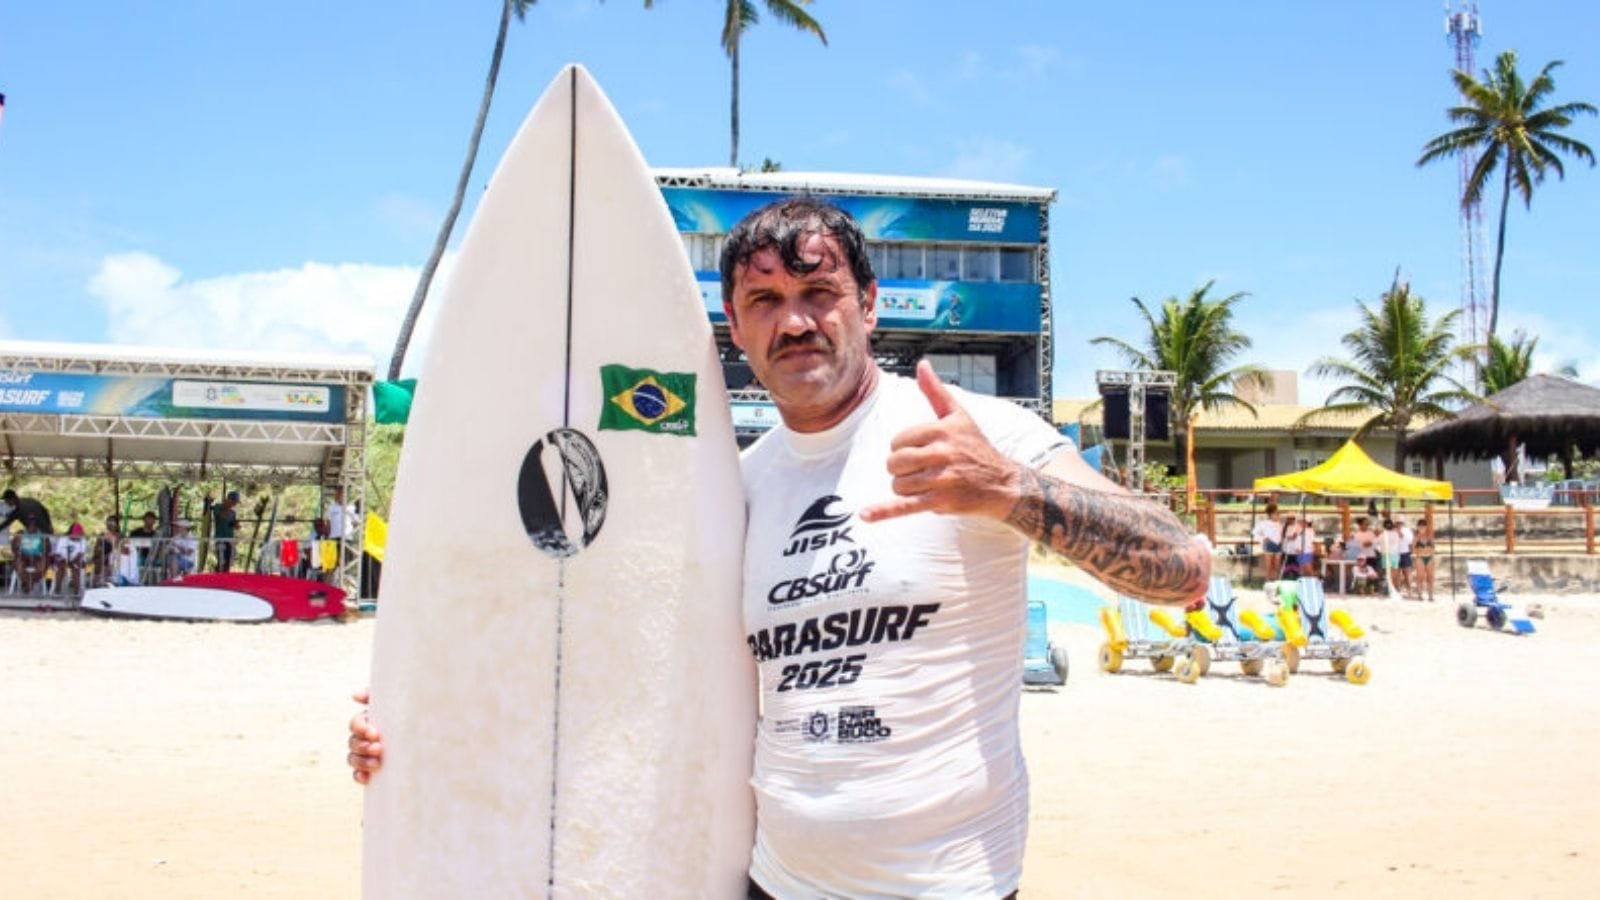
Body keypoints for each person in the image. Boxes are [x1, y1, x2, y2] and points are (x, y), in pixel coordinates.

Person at [345, 197, 1212, 898]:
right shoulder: (734, 486)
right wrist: (424, 718)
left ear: (868, 305)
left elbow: (1184, 571)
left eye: (818, 293)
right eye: (765, 302)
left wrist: (1012, 492)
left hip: (949, 886)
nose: (794, 322)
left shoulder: (974, 433)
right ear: (735, 325)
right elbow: (611, 648)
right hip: (770, 882)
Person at [12, 516, 51, 593]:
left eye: (34, 522)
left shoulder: (42, 534)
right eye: (30, 522)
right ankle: (29, 584)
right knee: (18, 565)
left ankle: (27, 584)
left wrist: (45, 546)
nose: (32, 524)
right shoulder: (21, 533)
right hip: (23, 556)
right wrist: (18, 551)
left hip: (37, 556)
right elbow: (13, 548)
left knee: (42, 566)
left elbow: (48, 549)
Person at [52, 522, 89, 594]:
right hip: (63, 559)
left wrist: (72, 561)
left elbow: (80, 554)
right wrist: (65, 560)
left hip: (76, 560)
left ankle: (77, 592)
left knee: (76, 568)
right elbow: (58, 553)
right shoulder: (63, 539)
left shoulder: (83, 540)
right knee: (61, 567)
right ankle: (57, 589)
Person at [1252, 503, 1284, 580]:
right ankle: (1268, 580)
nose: (1278, 515)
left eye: (1278, 513)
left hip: (1278, 544)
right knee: (1269, 564)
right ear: (1271, 514)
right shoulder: (1264, 523)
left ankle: (1278, 580)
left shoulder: (1279, 524)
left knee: (1277, 564)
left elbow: (1280, 534)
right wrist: (1263, 538)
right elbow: (1254, 532)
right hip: (1269, 544)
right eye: (1276, 513)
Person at [212, 491, 240, 572]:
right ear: (229, 500)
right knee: (221, 560)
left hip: (230, 539)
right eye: (234, 502)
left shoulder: (233, 512)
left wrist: (235, 525)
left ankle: (225, 576)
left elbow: (233, 525)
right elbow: (221, 516)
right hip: (220, 538)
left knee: (229, 560)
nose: (235, 504)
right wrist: (226, 506)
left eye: (236, 502)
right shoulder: (218, 507)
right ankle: (217, 577)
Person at [92, 515, 121, 588]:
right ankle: (97, 583)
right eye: (109, 522)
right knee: (99, 561)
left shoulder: (120, 536)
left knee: (111, 560)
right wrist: (99, 551)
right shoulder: (102, 535)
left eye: (113, 522)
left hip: (117, 557)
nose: (110, 524)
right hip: (103, 557)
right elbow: (97, 548)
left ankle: (111, 581)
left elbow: (121, 547)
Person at [1413, 519, 1438, 602]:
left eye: (1423, 526)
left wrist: (1427, 551)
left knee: (1430, 577)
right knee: (1420, 577)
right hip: (1420, 557)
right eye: (1420, 526)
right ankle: (1420, 594)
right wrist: (1422, 551)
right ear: (1418, 527)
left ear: (1426, 527)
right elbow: (1413, 549)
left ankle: (1430, 595)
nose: (1422, 528)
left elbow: (1434, 548)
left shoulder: (1430, 536)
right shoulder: (1416, 537)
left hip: (1430, 557)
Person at [1393, 515, 1416, 598]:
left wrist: (1399, 531)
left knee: (1407, 573)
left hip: (1405, 553)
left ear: (1403, 523)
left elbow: (1407, 540)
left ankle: (1409, 590)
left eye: (1400, 523)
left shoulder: (1407, 531)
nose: (1398, 524)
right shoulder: (1391, 530)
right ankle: (1397, 590)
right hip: (1395, 553)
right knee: (1396, 574)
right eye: (1397, 523)